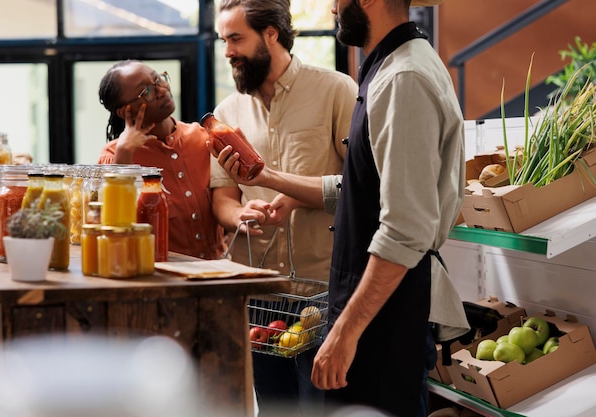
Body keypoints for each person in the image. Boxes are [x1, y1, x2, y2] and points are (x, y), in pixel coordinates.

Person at [209, 0, 471, 415]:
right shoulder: (389, 68)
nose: (331, 7)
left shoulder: (402, 78)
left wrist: (343, 332)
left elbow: (405, 228)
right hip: (357, 309)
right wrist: (270, 180)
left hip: (385, 313)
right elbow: (361, 188)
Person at [211, 0, 358, 415]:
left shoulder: (336, 91)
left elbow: (362, 187)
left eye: (236, 38)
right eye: (224, 40)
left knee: (322, 409)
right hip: (258, 297)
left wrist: (290, 195)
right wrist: (238, 215)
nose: (228, 51)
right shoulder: (227, 113)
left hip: (322, 295)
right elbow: (222, 197)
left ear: (271, 34)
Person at [98, 60, 226, 260]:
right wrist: (123, 155)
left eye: (158, 79)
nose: (162, 90)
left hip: (217, 276)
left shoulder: (202, 138)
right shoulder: (114, 155)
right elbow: (112, 227)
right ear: (125, 111)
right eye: (146, 91)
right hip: (159, 279)